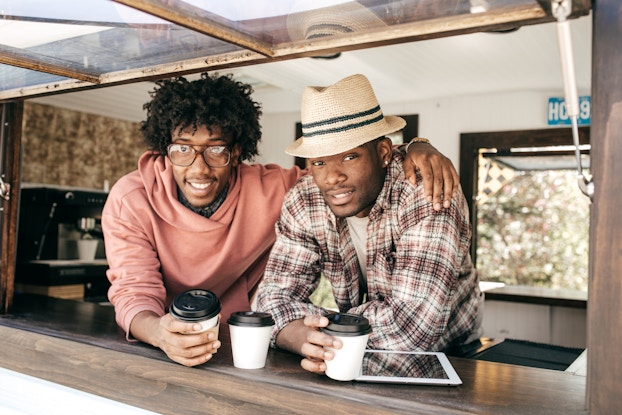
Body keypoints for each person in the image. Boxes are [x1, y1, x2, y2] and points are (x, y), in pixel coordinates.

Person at [102, 72, 459, 367]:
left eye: (216, 149)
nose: (198, 166)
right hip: (175, 340)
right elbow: (135, 290)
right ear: (164, 149)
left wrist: (416, 146)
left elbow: (415, 325)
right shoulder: (132, 198)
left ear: (236, 150)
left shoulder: (421, 187)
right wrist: (161, 334)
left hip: (443, 354)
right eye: (182, 148)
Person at [255, 74, 483, 375]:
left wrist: (307, 330)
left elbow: (413, 326)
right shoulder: (305, 198)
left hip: (454, 353)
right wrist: (301, 336)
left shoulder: (425, 189)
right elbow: (270, 299)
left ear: (384, 153)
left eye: (349, 156)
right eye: (320, 162)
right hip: (353, 349)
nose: (332, 177)